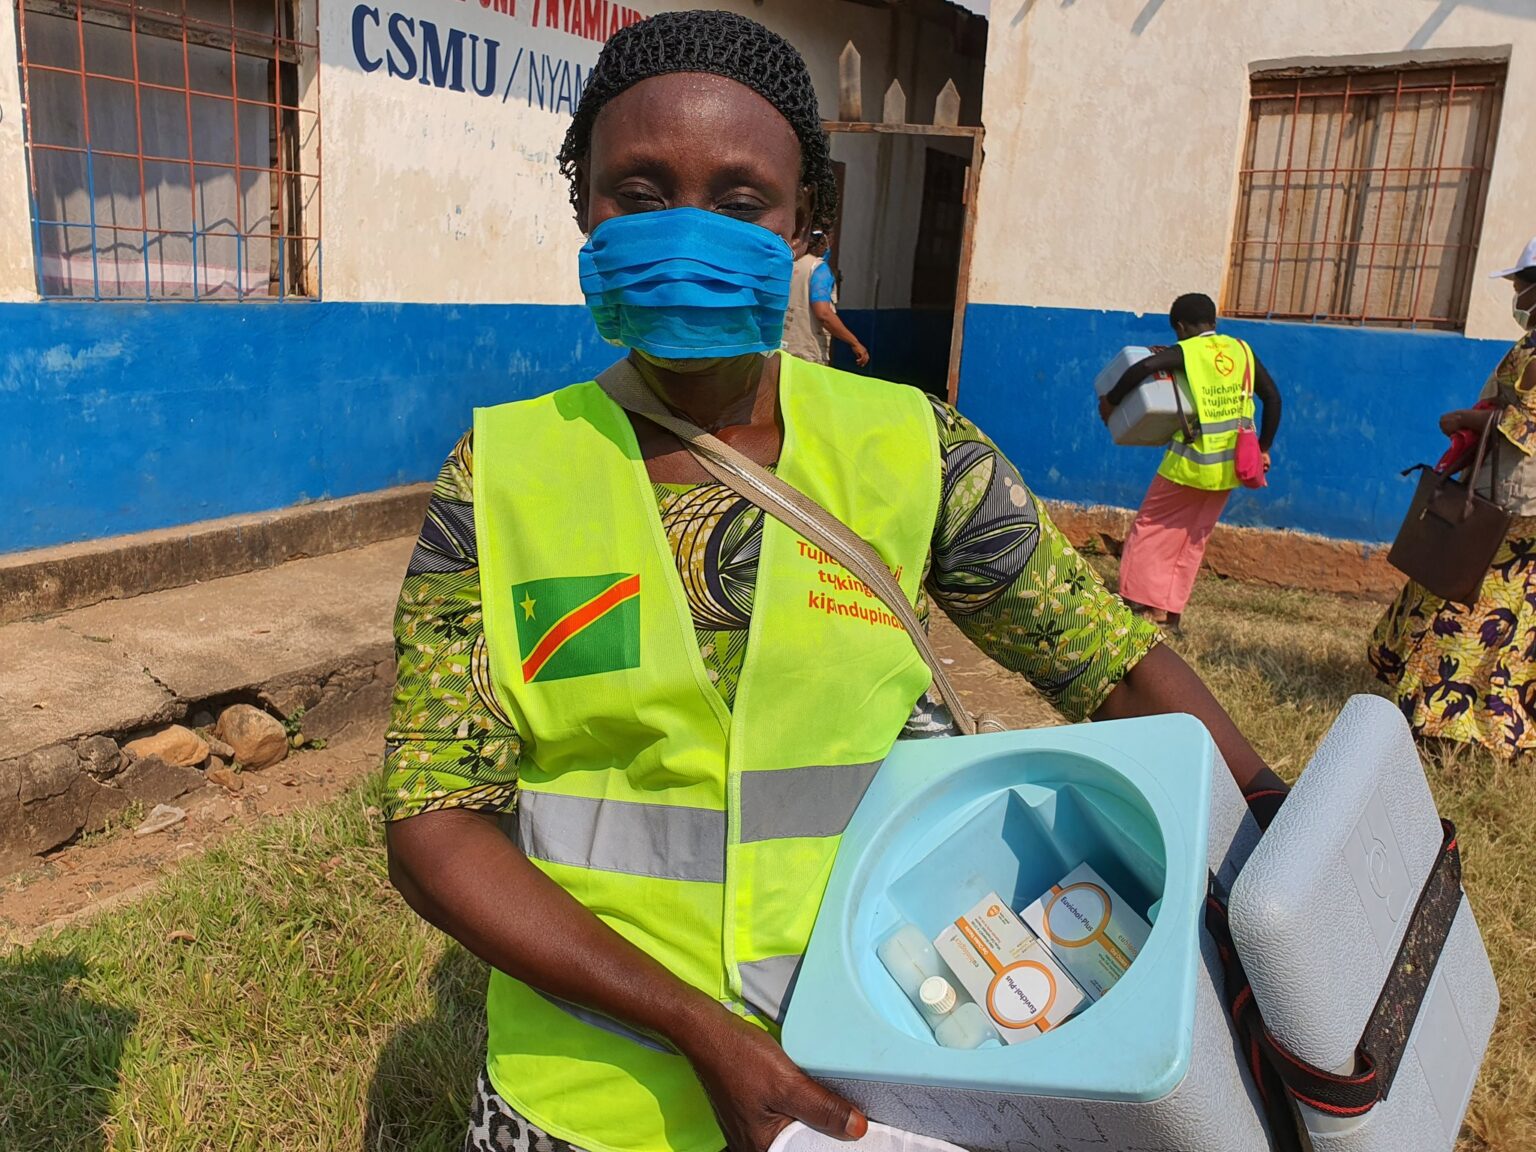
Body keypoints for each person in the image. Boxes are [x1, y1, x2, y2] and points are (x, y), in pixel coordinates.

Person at [381, 14, 1288, 1152]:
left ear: (806, 222)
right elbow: (434, 820)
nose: (685, 234)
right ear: (584, 210)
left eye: (741, 199)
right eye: (639, 191)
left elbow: (1103, 657)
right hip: (586, 1097)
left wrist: (1272, 821)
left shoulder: (912, 447)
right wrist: (693, 1025)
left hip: (887, 1070)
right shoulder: (501, 474)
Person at [1370, 238, 1536, 757]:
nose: (1517, 295)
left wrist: (1465, 420)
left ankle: (1443, 713)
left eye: (1521, 285)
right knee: (1517, 611)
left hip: (1515, 496)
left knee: (1465, 594)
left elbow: (1524, 419)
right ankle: (1504, 720)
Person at [1099, 293, 1282, 630]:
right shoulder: (1241, 350)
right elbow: (1272, 397)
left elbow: (1144, 368)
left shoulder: (1186, 352)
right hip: (1232, 468)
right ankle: (1169, 610)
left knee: (1150, 528)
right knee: (1191, 538)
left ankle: (1141, 604)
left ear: (1180, 327)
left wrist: (1111, 401)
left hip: (1191, 464)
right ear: (1213, 322)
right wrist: (1264, 447)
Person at [783, 229, 868, 367]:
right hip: (805, 352)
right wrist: (854, 342)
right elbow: (823, 314)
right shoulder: (818, 270)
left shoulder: (790, 265)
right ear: (823, 244)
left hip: (782, 348)